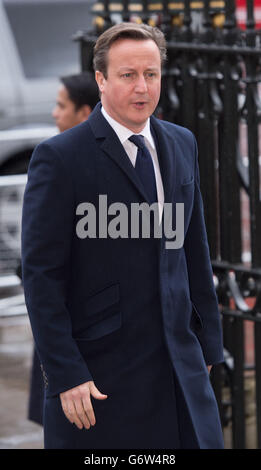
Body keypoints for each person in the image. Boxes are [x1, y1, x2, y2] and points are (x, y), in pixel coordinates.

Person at [21, 22, 224, 449]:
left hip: (181, 371)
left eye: (150, 74)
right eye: (128, 75)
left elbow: (194, 251)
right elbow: (41, 277)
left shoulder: (182, 143)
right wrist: (66, 373)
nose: (142, 88)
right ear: (101, 79)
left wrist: (208, 348)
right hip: (102, 379)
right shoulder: (59, 158)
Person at [27, 72, 99, 426]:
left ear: (84, 112)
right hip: (61, 330)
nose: (55, 113)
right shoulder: (53, 157)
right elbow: (40, 263)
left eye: (61, 105)